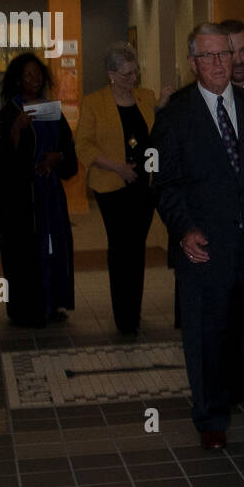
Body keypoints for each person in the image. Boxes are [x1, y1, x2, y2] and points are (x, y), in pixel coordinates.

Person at [150, 23, 244, 450]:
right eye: (210, 56)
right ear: (193, 63)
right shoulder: (174, 116)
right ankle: (211, 419)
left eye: (226, 53)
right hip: (205, 246)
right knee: (206, 336)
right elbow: (163, 182)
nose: (222, 63)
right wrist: (184, 229)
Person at [75, 43, 168, 335]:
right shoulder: (94, 103)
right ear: (111, 74)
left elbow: (155, 133)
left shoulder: (146, 98)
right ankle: (123, 315)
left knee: (137, 248)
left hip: (144, 185)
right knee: (120, 247)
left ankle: (134, 310)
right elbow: (84, 145)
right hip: (111, 185)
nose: (134, 79)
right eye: (127, 74)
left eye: (136, 72)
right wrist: (118, 168)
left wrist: (162, 108)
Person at [0, 53, 77, 328]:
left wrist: (57, 157)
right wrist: (14, 133)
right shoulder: (6, 117)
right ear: (16, 79)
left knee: (54, 249)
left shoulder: (52, 111)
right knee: (23, 254)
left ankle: (52, 305)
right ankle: (26, 310)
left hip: (50, 197)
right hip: (20, 201)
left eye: (38, 74)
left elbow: (69, 153)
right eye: (27, 75)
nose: (34, 80)